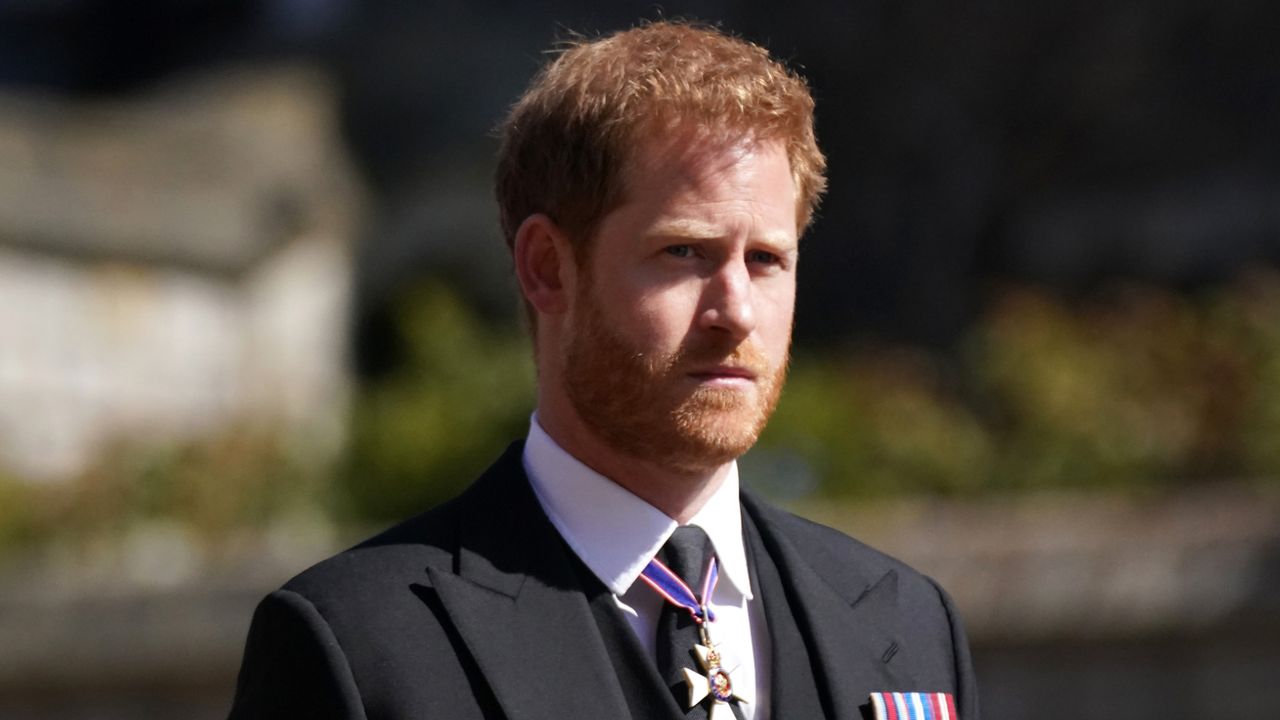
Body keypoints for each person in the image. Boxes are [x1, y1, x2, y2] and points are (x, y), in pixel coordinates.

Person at [228, 20, 978, 720]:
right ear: (547, 268)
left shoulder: (909, 624)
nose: (737, 311)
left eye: (766, 260)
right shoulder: (360, 644)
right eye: (684, 252)